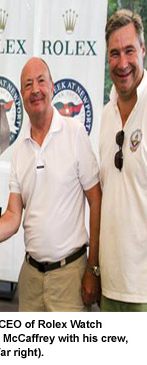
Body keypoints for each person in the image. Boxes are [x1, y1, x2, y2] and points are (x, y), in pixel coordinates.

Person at [0, 57, 101, 312]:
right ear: (21, 95)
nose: (35, 90)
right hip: (30, 278)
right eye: (28, 84)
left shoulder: (75, 133)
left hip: (70, 278)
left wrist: (93, 268)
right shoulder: (20, 151)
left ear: (52, 86)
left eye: (41, 81)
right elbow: (13, 215)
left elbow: (96, 201)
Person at [99, 9, 147, 311]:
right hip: (110, 285)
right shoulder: (106, 115)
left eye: (129, 50)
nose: (122, 63)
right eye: (114, 54)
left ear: (143, 50)